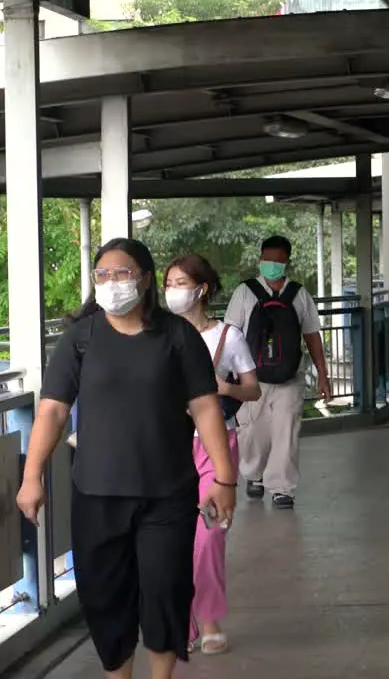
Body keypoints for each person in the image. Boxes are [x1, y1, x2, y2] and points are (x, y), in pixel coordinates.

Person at [15, 238, 237, 679]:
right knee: (105, 596)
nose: (112, 282)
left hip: (168, 493)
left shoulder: (177, 336)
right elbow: (52, 409)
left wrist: (224, 478)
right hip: (97, 494)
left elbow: (206, 406)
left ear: (146, 279)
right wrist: (31, 475)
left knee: (165, 590)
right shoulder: (81, 339)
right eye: (103, 274)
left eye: (123, 273)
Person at [164, 254, 262, 656]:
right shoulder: (159, 333)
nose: (172, 290)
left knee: (209, 535)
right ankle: (179, 618)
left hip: (216, 444)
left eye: (181, 282)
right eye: (168, 282)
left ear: (202, 289)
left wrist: (226, 389)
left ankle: (208, 618)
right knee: (171, 537)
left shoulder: (228, 338)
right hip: (168, 444)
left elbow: (253, 389)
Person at [223, 235, 330, 509]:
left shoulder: (299, 294)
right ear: (260, 260)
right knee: (253, 430)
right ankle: (254, 474)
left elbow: (312, 335)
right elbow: (231, 334)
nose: (271, 265)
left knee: (286, 430)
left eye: (277, 260)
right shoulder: (244, 292)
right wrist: (225, 373)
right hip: (251, 377)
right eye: (266, 259)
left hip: (290, 376)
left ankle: (282, 488)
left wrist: (323, 374)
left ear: (286, 262)